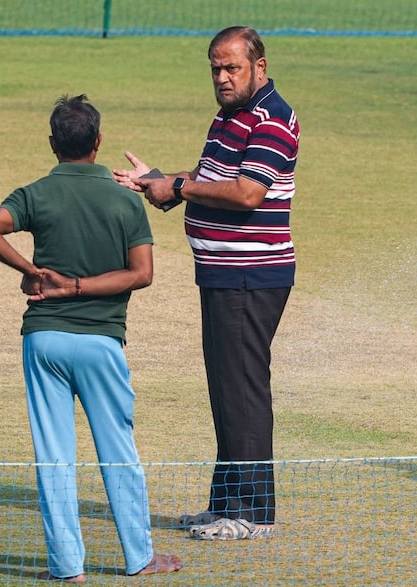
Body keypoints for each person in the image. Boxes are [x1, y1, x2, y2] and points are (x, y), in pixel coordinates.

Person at [0, 94, 182, 580]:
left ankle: (67, 567)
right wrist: (81, 288)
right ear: (99, 142)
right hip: (101, 343)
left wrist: (32, 273)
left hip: (43, 339)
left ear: (53, 144)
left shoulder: (35, 193)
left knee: (54, 455)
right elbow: (142, 274)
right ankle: (140, 558)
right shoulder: (123, 199)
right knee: (118, 451)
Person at [114, 26, 300, 541]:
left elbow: (245, 194)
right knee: (226, 389)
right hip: (222, 275)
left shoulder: (272, 118)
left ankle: (253, 514)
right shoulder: (229, 117)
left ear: (259, 66)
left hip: (251, 276)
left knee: (242, 390)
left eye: (232, 68)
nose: (221, 77)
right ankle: (225, 505)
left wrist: (177, 186)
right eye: (215, 68)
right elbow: (209, 177)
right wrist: (162, 184)